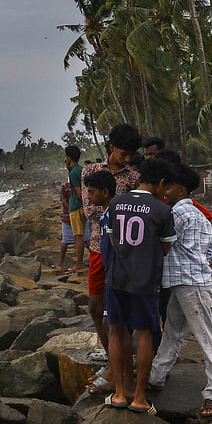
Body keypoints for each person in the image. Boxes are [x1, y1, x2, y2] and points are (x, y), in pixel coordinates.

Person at [102, 157, 177, 415]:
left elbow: (111, 238)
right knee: (144, 333)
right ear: (162, 182)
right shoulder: (162, 210)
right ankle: (140, 398)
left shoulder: (115, 203)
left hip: (116, 279)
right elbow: (166, 248)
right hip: (144, 280)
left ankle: (120, 392)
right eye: (165, 188)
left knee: (116, 330)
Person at [149, 164, 212, 418]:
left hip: (188, 283)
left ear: (180, 189)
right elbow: (211, 251)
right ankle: (156, 375)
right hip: (191, 281)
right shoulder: (200, 216)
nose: (165, 191)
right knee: (173, 330)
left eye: (168, 186)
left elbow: (163, 243)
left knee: (204, 337)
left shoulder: (177, 215)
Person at [82, 124, 142, 365]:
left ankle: (121, 360)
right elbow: (89, 211)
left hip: (127, 253)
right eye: (123, 154)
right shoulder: (91, 171)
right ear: (111, 148)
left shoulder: (134, 177)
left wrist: (110, 206)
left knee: (121, 312)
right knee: (96, 308)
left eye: (131, 155)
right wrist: (119, 207)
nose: (127, 159)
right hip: (98, 248)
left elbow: (139, 212)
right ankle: (111, 356)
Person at [82, 168, 116, 395]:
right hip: (101, 260)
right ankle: (113, 365)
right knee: (100, 314)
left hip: (113, 271)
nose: (90, 198)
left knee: (113, 322)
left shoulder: (113, 214)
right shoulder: (105, 213)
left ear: (105, 192)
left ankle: (117, 372)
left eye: (92, 193)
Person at [65, 146, 86, 272]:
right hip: (81, 206)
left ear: (69, 157)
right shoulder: (80, 169)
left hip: (76, 207)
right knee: (82, 236)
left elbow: (79, 193)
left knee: (78, 237)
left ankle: (79, 264)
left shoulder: (73, 173)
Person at [58, 179, 75, 271]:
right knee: (85, 240)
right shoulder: (81, 186)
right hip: (76, 215)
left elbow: (63, 201)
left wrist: (70, 210)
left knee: (65, 241)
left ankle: (61, 264)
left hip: (67, 216)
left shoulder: (65, 186)